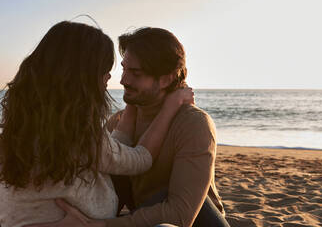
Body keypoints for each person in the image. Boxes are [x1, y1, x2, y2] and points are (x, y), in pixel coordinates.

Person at [27, 27, 230, 227]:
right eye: (124, 69)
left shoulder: (193, 125)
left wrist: (102, 225)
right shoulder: (119, 121)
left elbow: (180, 216)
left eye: (136, 73)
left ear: (166, 79)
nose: (123, 80)